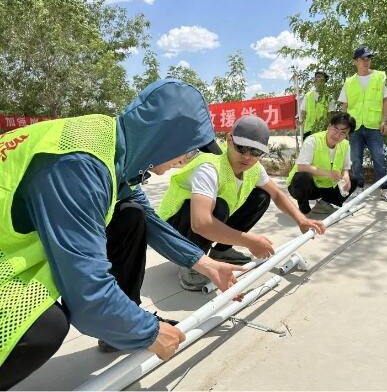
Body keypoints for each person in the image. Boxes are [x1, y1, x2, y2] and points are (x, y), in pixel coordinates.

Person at [0, 79, 245, 389]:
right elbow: (87, 300)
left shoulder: (109, 143)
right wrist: (150, 332)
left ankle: (118, 326)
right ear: (163, 138)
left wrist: (205, 264)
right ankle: (121, 323)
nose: (188, 159)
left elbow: (152, 223)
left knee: (131, 216)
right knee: (40, 329)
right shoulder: (79, 166)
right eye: (188, 148)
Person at [157, 115, 325, 291]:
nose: (247, 157)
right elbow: (201, 223)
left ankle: (221, 251)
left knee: (261, 196)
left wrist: (301, 219)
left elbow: (276, 194)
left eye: (256, 152)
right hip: (170, 235)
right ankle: (192, 264)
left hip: (192, 227)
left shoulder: (254, 168)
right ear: (229, 139)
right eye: (242, 148)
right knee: (219, 207)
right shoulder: (209, 167)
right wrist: (249, 241)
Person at [338, 46, 387, 203]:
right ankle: (358, 188)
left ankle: (385, 189)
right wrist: (344, 127)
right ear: (355, 61)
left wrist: (384, 121)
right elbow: (345, 106)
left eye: (368, 58)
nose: (366, 61)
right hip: (355, 127)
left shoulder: (380, 77)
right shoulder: (349, 82)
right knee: (355, 159)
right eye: (363, 58)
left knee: (379, 157)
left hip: (374, 125)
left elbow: (386, 99)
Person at [287, 112, 357, 215]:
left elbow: (345, 168)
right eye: (336, 129)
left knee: (353, 179)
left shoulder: (345, 144)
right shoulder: (312, 140)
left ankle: (323, 205)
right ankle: (304, 208)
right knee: (304, 176)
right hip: (305, 187)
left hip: (326, 186)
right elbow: (302, 167)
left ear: (347, 135)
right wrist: (330, 173)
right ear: (329, 126)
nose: (337, 135)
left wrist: (346, 176)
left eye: (343, 133)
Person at [299, 70, 336, 140]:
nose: (316, 79)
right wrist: (299, 120)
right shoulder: (308, 96)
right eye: (315, 77)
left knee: (321, 150)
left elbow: (331, 117)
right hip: (308, 131)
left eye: (319, 77)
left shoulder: (329, 98)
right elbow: (303, 113)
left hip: (322, 131)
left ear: (324, 81)